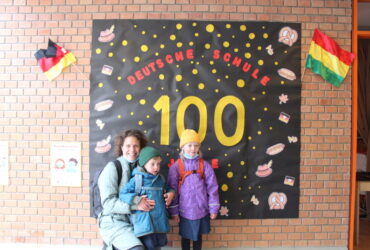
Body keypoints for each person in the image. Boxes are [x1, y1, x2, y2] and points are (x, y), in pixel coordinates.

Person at [98, 129, 174, 250]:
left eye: (136, 146)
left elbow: (162, 184)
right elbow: (108, 203)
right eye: (128, 146)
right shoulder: (112, 168)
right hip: (116, 220)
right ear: (121, 147)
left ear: (141, 148)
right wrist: (136, 205)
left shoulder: (146, 166)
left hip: (138, 221)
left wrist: (170, 192)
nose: (132, 150)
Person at [167, 129, 220, 250]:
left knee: (198, 238)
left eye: (196, 145)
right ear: (183, 147)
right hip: (184, 211)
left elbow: (212, 188)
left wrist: (213, 208)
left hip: (201, 210)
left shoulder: (204, 165)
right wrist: (174, 212)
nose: (192, 149)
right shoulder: (177, 166)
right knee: (185, 238)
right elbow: (172, 189)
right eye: (189, 145)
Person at [119, 146, 175, 250]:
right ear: (144, 164)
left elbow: (169, 188)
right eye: (152, 164)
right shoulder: (137, 179)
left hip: (159, 224)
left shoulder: (160, 178)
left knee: (158, 247)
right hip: (144, 224)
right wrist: (137, 200)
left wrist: (171, 193)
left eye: (158, 164)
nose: (156, 167)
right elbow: (123, 194)